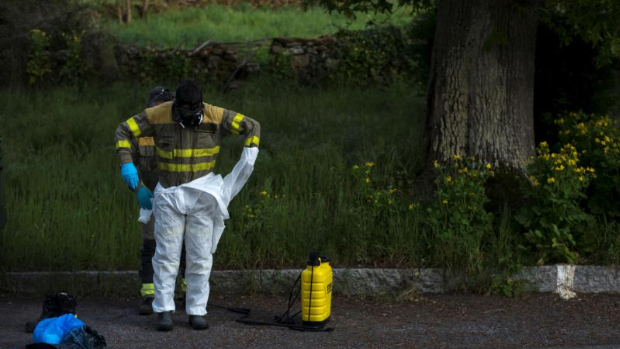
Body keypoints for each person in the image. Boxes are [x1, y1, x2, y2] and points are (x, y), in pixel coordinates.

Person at [115, 80, 260, 331]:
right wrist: (126, 163)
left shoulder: (216, 115)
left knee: (200, 256)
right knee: (166, 256)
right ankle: (163, 311)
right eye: (185, 112)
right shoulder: (158, 115)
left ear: (201, 105)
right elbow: (123, 131)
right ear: (177, 106)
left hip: (201, 196)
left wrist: (250, 154)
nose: (191, 116)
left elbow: (252, 126)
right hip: (169, 194)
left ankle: (196, 311)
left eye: (195, 112)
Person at [133, 87, 187, 315]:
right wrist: (138, 190)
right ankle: (149, 294)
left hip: (180, 196)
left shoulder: (183, 132)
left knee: (185, 244)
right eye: (157, 108)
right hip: (152, 197)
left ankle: (185, 292)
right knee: (151, 245)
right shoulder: (140, 135)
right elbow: (129, 164)